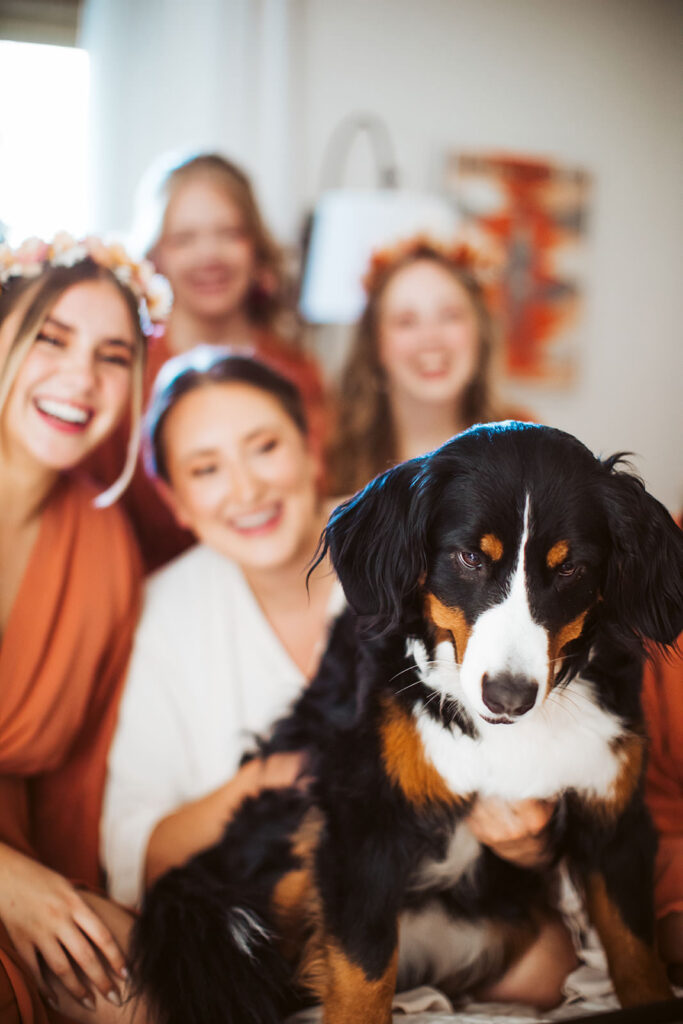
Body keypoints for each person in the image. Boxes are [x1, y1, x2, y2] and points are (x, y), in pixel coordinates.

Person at [102, 347, 342, 907]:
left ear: (310, 449)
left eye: (264, 448)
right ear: (175, 502)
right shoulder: (160, 615)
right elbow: (137, 851)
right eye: (206, 469)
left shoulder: (410, 552)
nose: (246, 490)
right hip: (263, 941)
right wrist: (265, 781)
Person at [0, 234, 166, 1023]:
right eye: (51, 339)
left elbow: (75, 783)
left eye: (112, 356)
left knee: (151, 993)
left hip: (23, 860)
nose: (80, 378)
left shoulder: (104, 544)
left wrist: (68, 900)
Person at [89, 152, 326, 572]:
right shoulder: (120, 374)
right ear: (155, 255)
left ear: (255, 246)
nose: (209, 255)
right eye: (184, 239)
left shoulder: (298, 369)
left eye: (229, 233)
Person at [326, 235, 527, 496]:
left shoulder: (525, 451)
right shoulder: (328, 463)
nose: (430, 338)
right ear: (375, 346)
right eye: (406, 321)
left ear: (480, 335)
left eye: (450, 316)